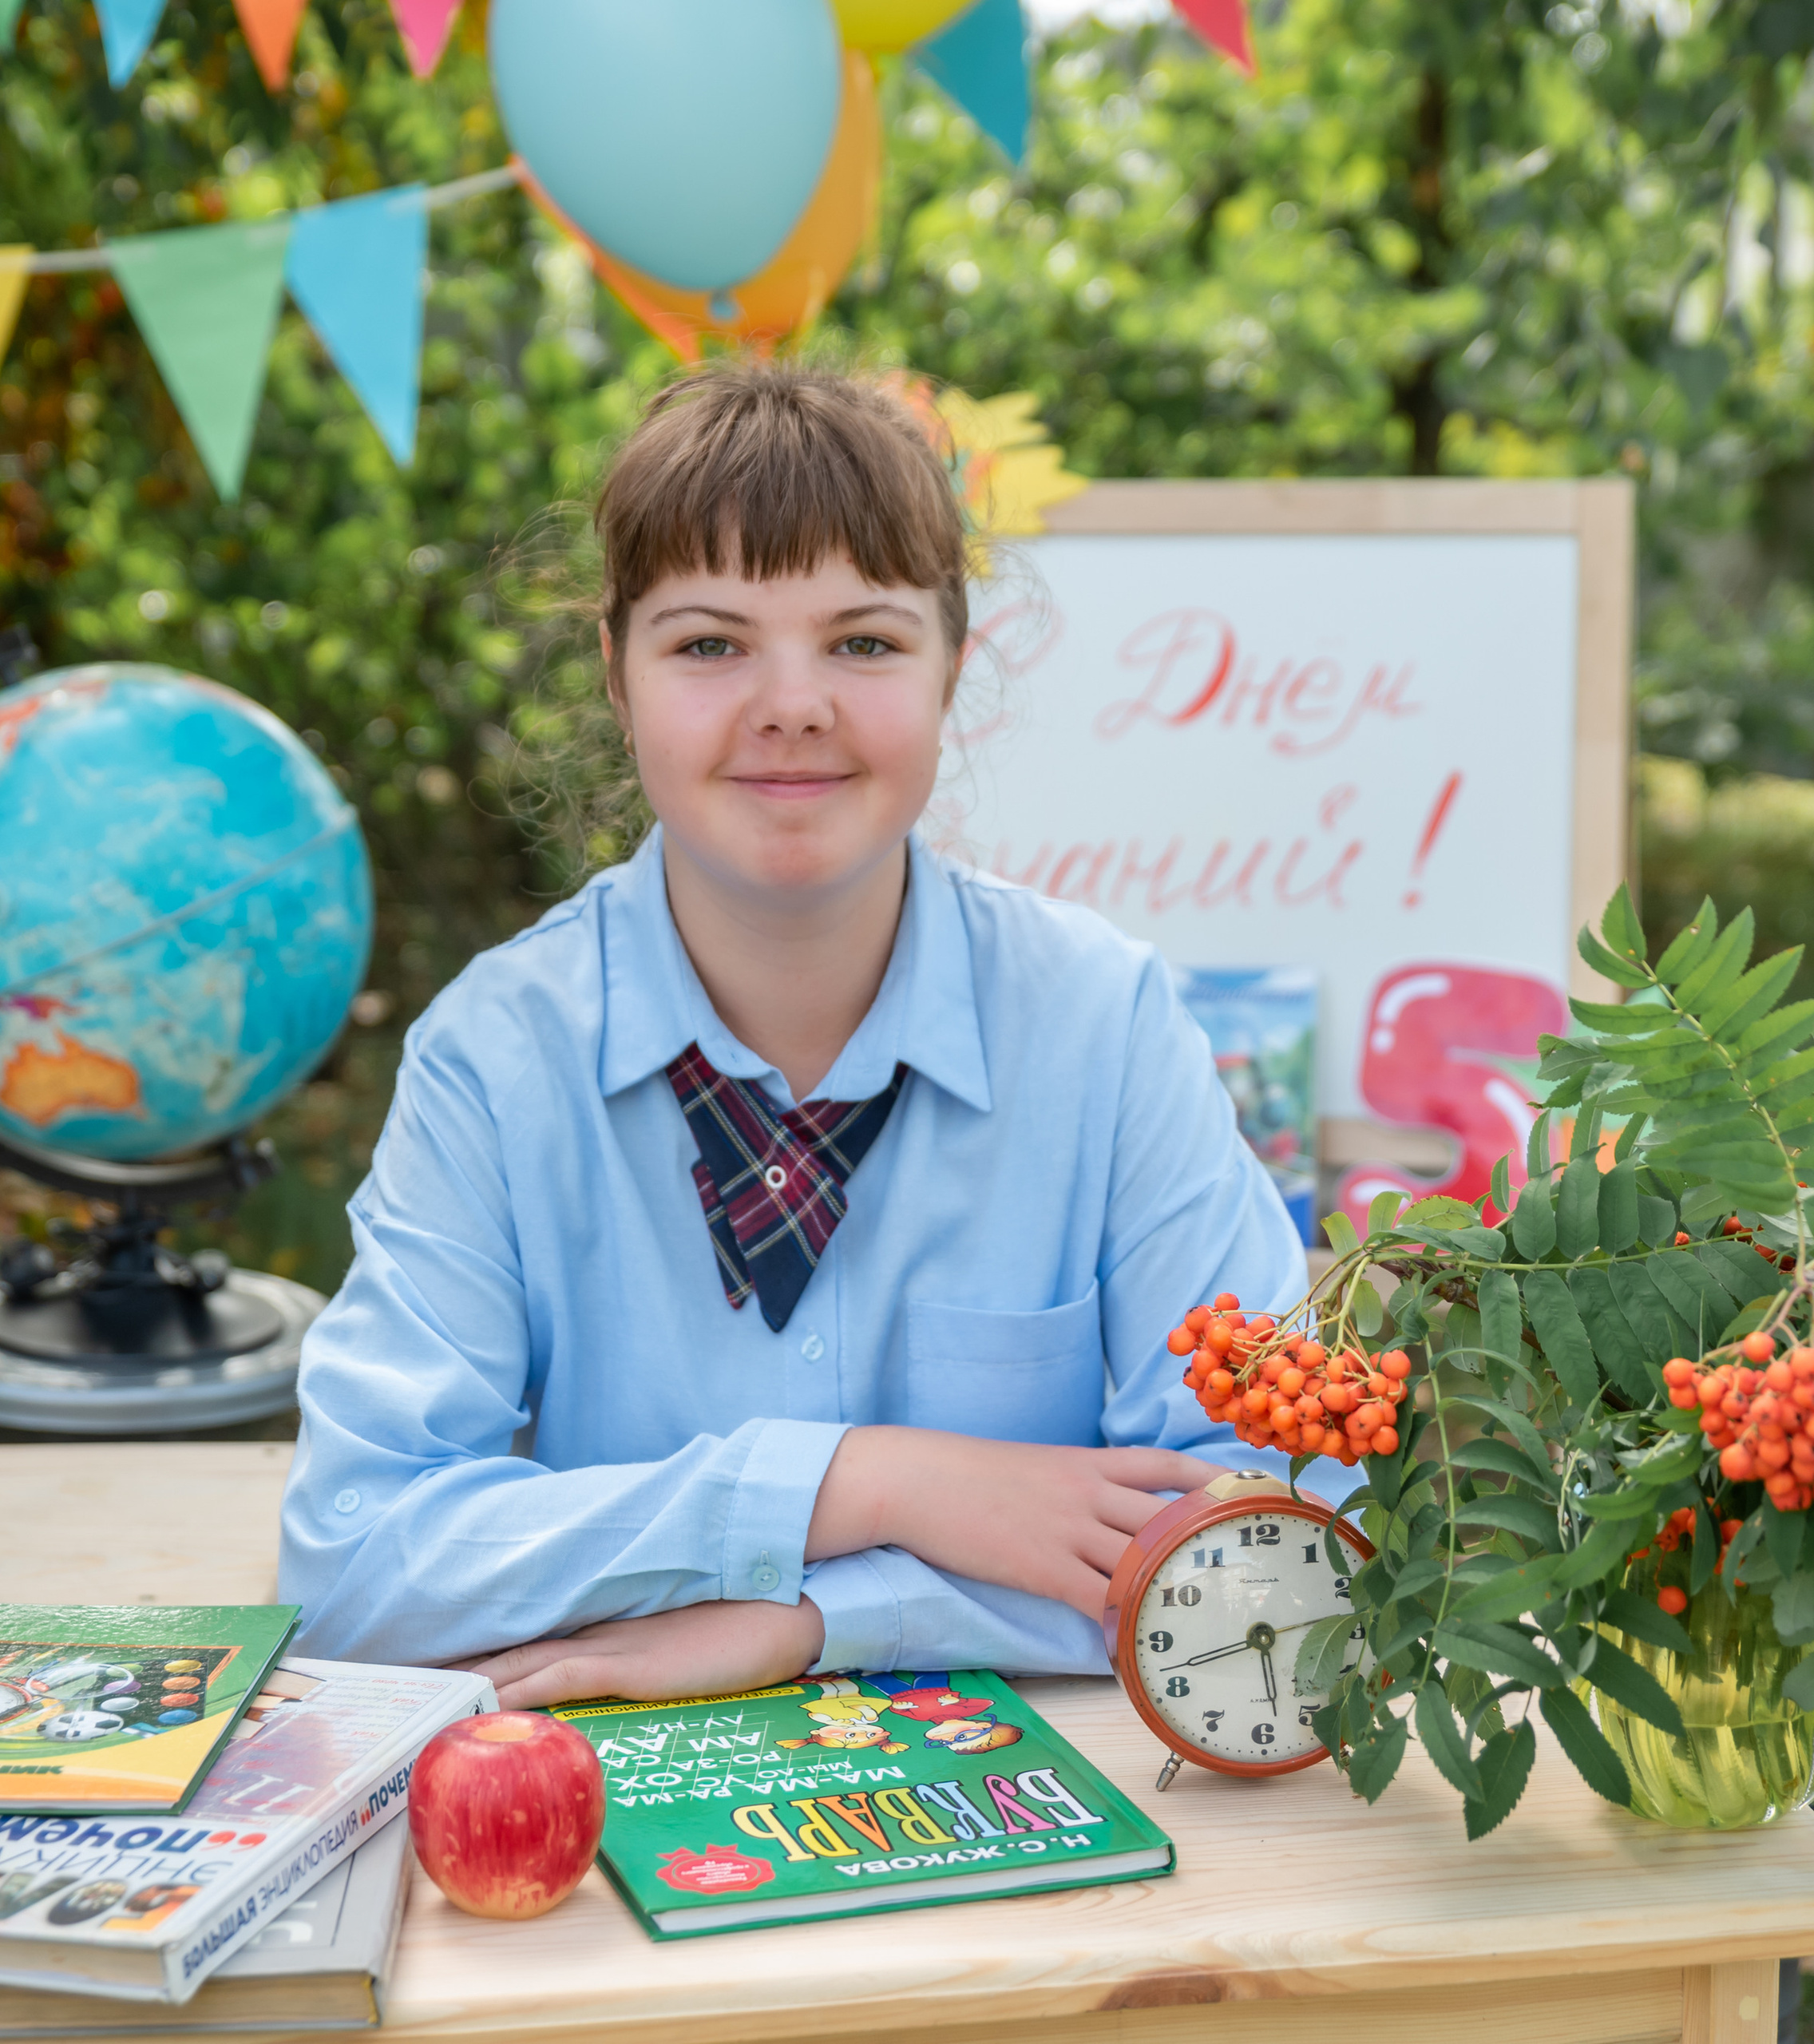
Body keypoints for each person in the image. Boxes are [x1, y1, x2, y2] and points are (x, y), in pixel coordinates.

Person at [277, 361, 1323, 1707]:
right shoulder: (497, 1058)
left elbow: (1275, 1535)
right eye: (709, 643)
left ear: (954, 669)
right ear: (617, 676)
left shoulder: (1102, 1027)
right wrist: (869, 1482)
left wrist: (821, 1617)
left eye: (865, 641)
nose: (793, 703)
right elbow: (356, 1565)